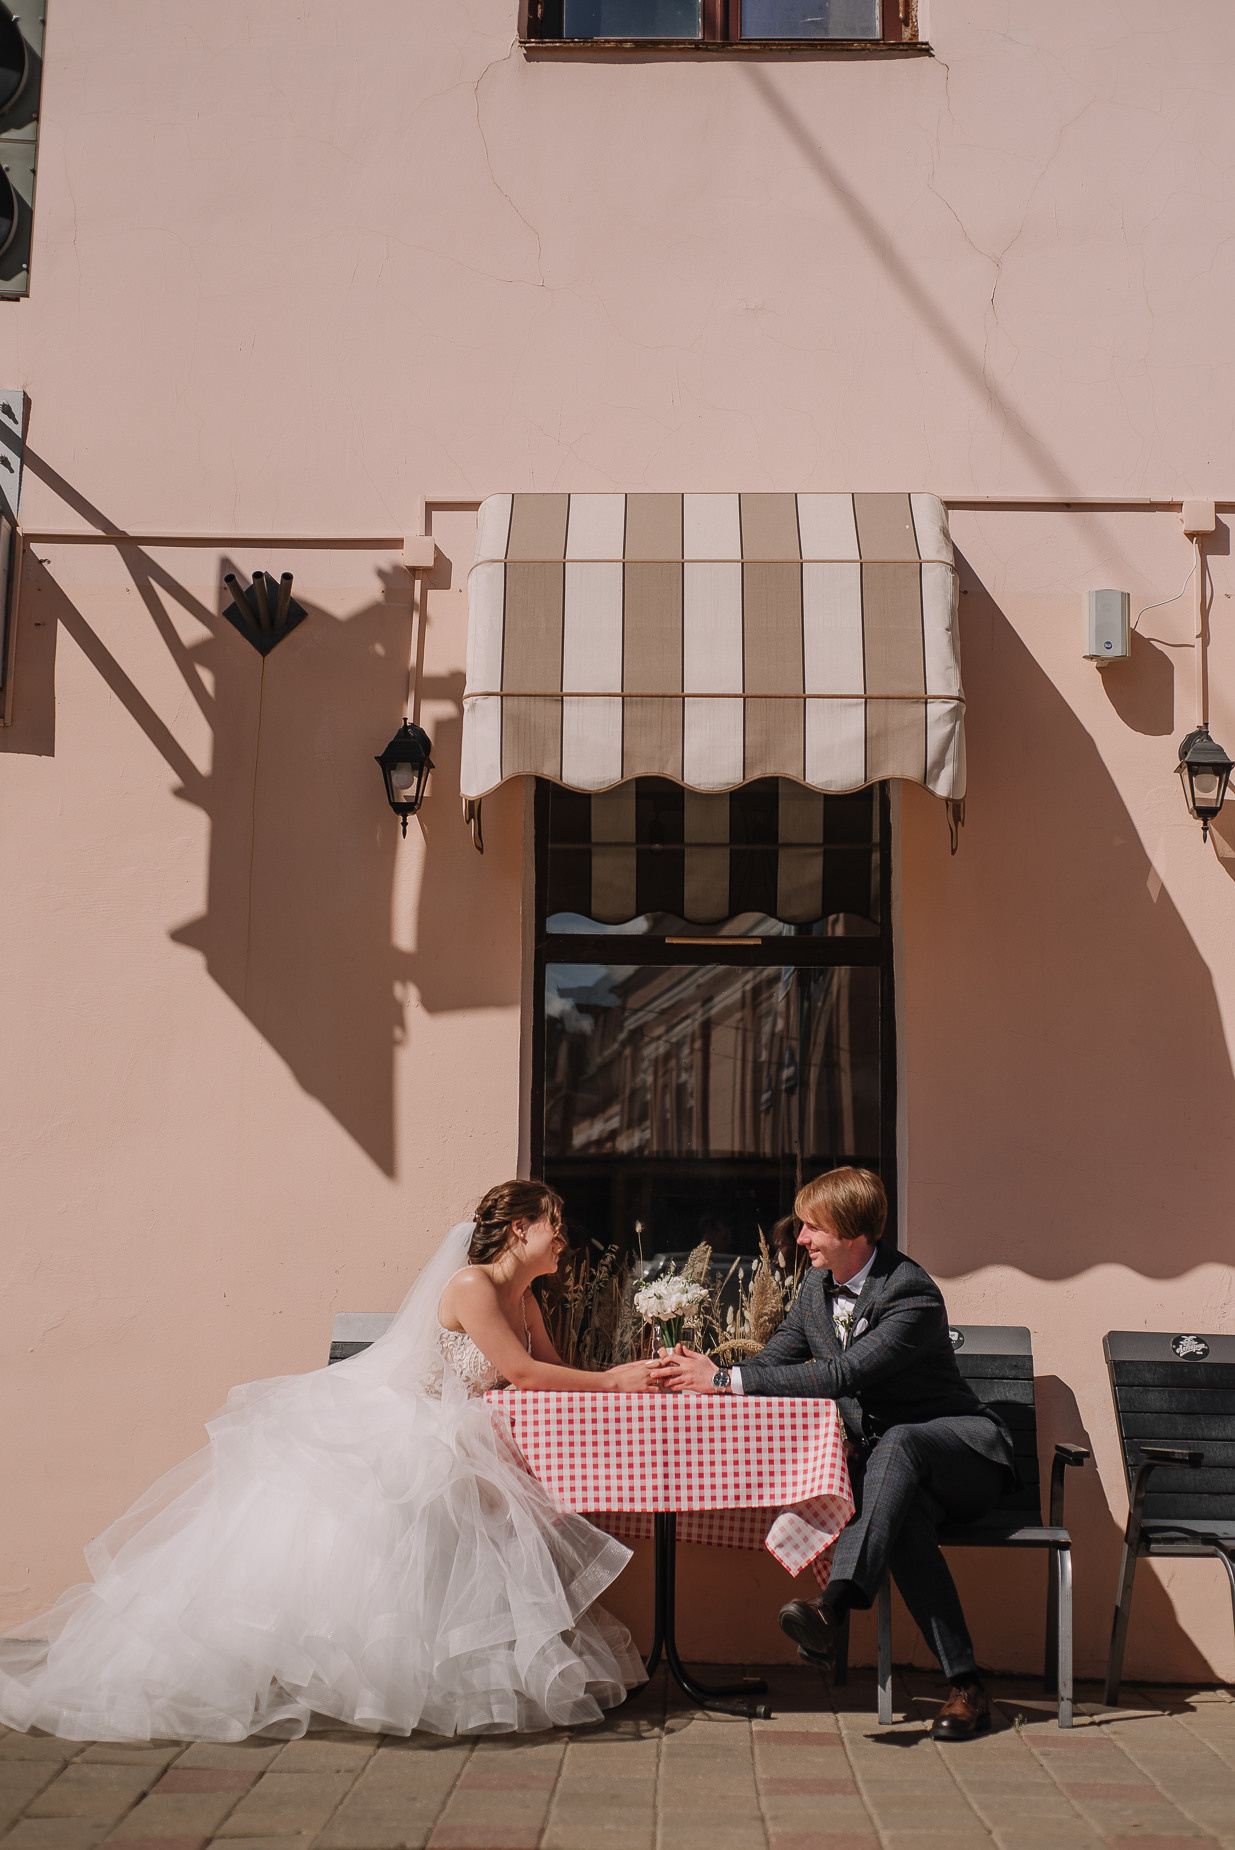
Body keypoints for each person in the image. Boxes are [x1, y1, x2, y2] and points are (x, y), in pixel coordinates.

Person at [0, 1180, 660, 1742]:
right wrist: (614, 1383)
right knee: (396, 1547)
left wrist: (615, 1381)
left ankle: (427, 1674)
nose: (563, 1239)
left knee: (466, 1552)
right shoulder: (472, 1285)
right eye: (555, 1226)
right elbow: (519, 1371)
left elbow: (548, 1370)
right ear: (520, 1229)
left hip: (472, 1429)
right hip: (421, 1427)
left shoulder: (526, 1297)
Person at [658, 1167, 1015, 1741]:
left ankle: (837, 1600)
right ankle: (967, 1686)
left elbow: (845, 1373)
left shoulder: (910, 1292)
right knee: (901, 1519)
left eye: (812, 1227)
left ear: (852, 1233)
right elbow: (774, 1360)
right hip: (894, 1478)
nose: (800, 1239)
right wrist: (700, 1372)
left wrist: (726, 1381)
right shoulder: (814, 1293)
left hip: (962, 1458)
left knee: (898, 1442)